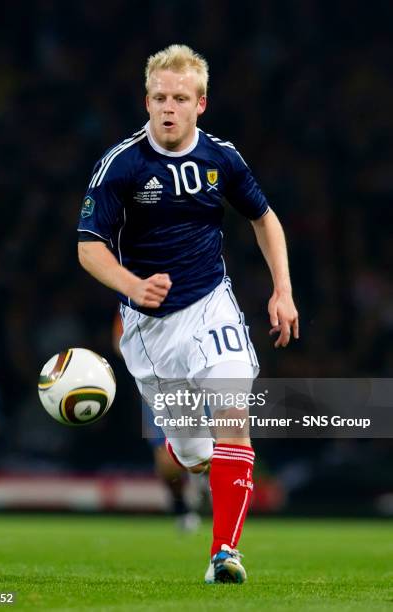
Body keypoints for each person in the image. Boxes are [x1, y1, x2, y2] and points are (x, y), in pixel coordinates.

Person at [77, 44, 299, 584]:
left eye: (180, 98)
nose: (168, 107)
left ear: (201, 103)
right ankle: (203, 467)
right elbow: (88, 246)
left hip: (210, 305)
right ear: (146, 100)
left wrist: (282, 290)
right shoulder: (121, 164)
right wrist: (133, 285)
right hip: (149, 330)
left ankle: (224, 554)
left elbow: (264, 219)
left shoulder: (222, 159)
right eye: (159, 97)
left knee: (232, 414)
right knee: (194, 451)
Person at [112, 311, 205, 532]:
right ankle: (181, 506)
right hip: (158, 383)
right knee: (166, 460)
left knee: (213, 449)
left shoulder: (197, 291)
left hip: (197, 380)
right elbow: (118, 340)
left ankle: (204, 485)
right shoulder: (134, 294)